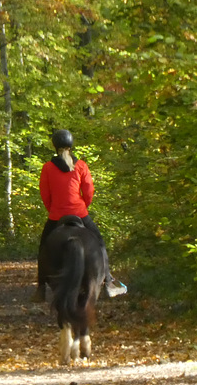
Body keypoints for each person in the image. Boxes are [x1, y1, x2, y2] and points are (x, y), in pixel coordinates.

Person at [33, 129, 127, 302]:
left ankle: (40, 288)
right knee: (99, 242)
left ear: (55, 146)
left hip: (56, 216)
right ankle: (107, 283)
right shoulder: (81, 165)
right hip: (80, 213)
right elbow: (89, 191)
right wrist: (83, 206)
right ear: (71, 145)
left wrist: (53, 210)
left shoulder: (47, 167)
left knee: (43, 247)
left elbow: (45, 194)